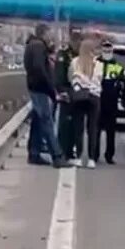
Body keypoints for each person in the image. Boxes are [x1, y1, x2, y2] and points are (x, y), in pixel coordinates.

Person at [23, 23, 68, 168]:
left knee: (37, 121)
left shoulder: (33, 45)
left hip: (35, 87)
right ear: (44, 33)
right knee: (47, 122)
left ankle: (34, 153)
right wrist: (50, 89)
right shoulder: (38, 46)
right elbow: (40, 69)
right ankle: (57, 156)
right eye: (49, 33)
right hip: (40, 89)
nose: (51, 36)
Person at [69, 38, 103, 169]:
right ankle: (91, 159)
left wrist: (82, 82)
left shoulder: (75, 62)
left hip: (79, 97)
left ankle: (78, 157)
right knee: (92, 129)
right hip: (94, 97)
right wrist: (90, 86)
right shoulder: (99, 65)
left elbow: (72, 79)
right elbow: (98, 80)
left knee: (78, 128)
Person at [54, 29, 83, 166]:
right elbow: (59, 74)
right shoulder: (64, 54)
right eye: (76, 41)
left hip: (78, 95)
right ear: (72, 41)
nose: (78, 44)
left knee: (74, 126)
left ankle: (70, 151)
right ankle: (62, 152)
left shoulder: (81, 56)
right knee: (64, 125)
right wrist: (61, 91)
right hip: (66, 93)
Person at [96, 41, 125, 164]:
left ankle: (109, 155)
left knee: (111, 130)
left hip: (112, 102)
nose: (107, 53)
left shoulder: (117, 65)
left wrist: (121, 96)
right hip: (98, 100)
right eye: (105, 50)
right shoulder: (96, 63)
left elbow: (122, 83)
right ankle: (95, 154)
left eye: (109, 51)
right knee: (96, 129)